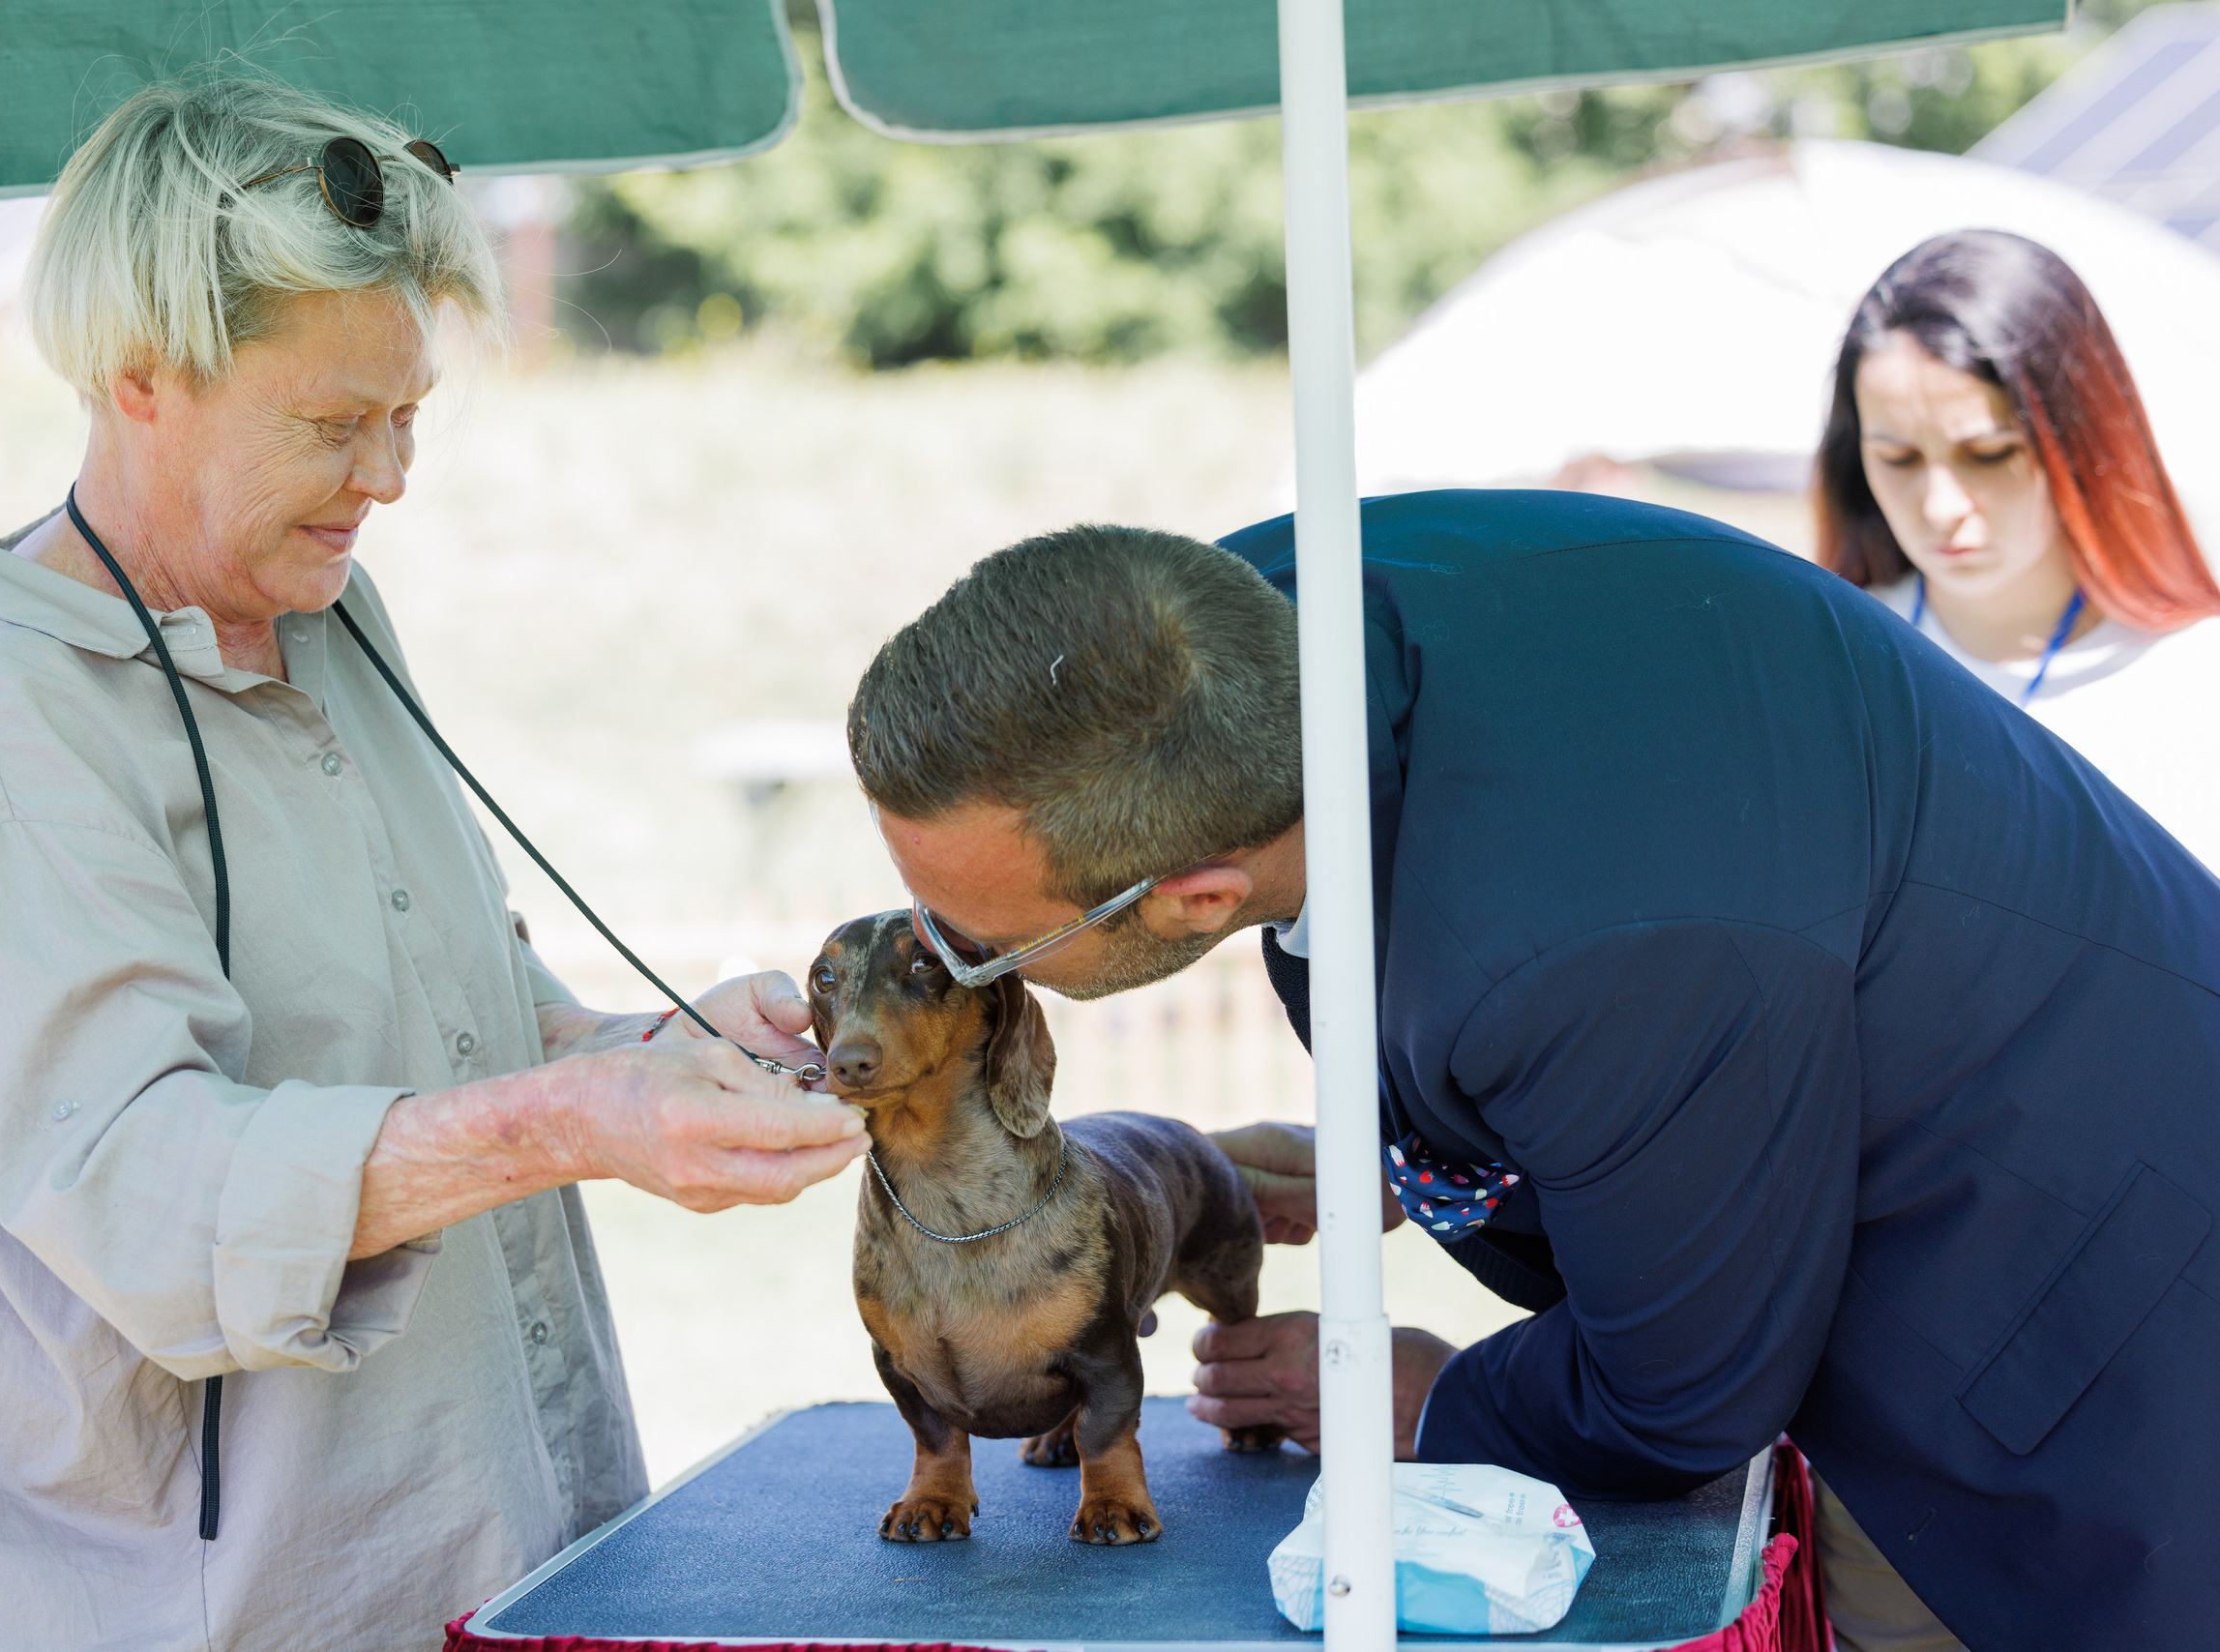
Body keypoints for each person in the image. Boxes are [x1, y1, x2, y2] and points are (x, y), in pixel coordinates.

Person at [0, 75, 867, 1651]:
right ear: (138, 375)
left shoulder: (330, 614)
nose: (388, 477)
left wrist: (656, 1052)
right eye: (330, 424)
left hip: (468, 1558)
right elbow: (152, 1202)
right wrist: (576, 1116)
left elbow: (454, 1032)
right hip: (177, 1610)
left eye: (409, 415)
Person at [844, 499, 2220, 1652]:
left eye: (981, 947)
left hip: (2089, 1345)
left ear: (1200, 898)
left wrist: (1432, 1402)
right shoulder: (1221, 635)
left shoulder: (1597, 949)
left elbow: (1683, 1392)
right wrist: (1417, 1152)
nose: (944, 960)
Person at [1818, 228, 2220, 871]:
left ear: (2082, 436)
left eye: (1989, 453)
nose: (1940, 505)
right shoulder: (1824, 664)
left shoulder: (2196, 682)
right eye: (1898, 458)